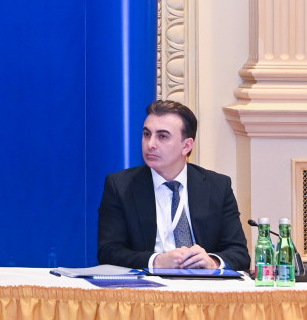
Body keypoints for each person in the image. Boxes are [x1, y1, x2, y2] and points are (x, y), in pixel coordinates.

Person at [97, 100, 250, 271]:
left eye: (162, 136)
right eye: (147, 134)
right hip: (148, 285)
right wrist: (157, 261)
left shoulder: (217, 186)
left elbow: (239, 253)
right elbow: (108, 251)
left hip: (203, 284)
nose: (150, 144)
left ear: (186, 146)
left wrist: (212, 262)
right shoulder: (120, 186)